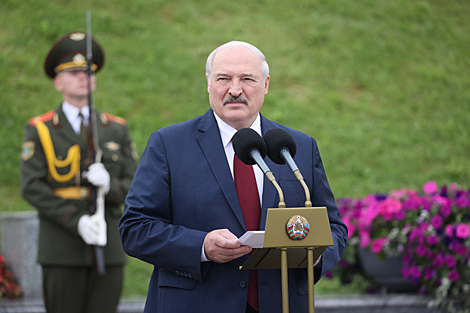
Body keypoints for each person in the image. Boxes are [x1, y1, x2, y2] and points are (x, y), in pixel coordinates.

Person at [119, 41, 347, 313]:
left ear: (266, 85)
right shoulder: (169, 145)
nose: (235, 90)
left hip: (281, 303)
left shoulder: (296, 147)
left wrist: (315, 255)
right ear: (208, 83)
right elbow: (135, 228)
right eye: (223, 79)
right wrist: (201, 246)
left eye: (247, 79)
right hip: (196, 304)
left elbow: (334, 228)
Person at [20, 32, 138, 313]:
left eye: (88, 71)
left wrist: (110, 185)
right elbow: (32, 186)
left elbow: (135, 183)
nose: (83, 77)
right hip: (62, 248)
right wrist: (77, 222)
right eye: (73, 72)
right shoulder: (41, 129)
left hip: (108, 246)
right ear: (58, 81)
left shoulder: (115, 128)